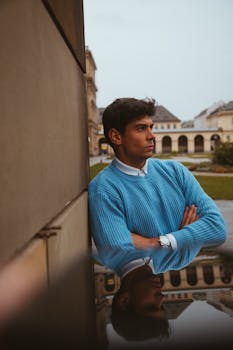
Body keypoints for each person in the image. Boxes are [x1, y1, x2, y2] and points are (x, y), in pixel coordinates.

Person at [89, 97, 226, 282]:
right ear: (116, 137)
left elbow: (217, 229)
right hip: (143, 286)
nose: (152, 135)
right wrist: (187, 237)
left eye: (151, 127)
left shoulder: (175, 171)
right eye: (141, 128)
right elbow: (120, 251)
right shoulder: (103, 189)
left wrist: (158, 242)